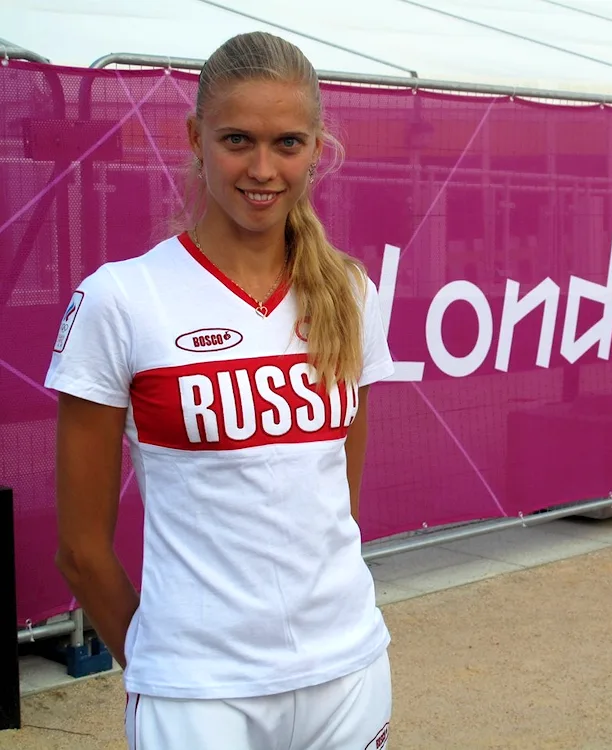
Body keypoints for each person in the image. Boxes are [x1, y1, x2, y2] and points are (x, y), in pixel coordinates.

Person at [44, 31, 395, 750]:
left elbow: (339, 501)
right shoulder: (122, 298)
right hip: (198, 693)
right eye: (237, 140)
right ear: (195, 137)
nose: (262, 169)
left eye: (288, 144)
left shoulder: (349, 291)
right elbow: (79, 548)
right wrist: (156, 666)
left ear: (316, 148)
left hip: (348, 671)